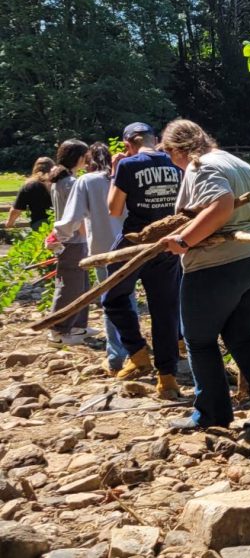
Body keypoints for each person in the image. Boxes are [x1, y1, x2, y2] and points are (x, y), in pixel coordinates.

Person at [159, 119, 250, 432]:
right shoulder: (237, 162)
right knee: (242, 337)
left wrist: (184, 241)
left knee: (199, 340)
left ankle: (212, 414)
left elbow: (221, 206)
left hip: (218, 265)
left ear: (178, 150)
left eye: (169, 154)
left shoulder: (200, 166)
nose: (172, 161)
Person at [103, 123, 184, 399]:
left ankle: (137, 353)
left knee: (113, 298)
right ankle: (168, 378)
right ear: (157, 140)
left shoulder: (128, 166)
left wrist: (116, 172)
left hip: (135, 242)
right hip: (167, 243)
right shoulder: (177, 164)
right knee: (165, 310)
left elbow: (114, 210)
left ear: (128, 144)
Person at [54, 143, 130, 373]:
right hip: (131, 244)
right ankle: (136, 347)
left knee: (111, 301)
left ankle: (117, 355)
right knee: (129, 298)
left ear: (88, 161)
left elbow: (71, 218)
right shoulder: (123, 176)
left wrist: (59, 234)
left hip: (102, 248)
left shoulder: (86, 181)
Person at [45, 140, 92, 344]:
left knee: (81, 284)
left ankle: (78, 327)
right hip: (74, 240)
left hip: (68, 240)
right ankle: (58, 330)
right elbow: (78, 217)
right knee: (70, 287)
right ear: (79, 158)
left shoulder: (60, 179)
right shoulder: (71, 182)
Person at [6, 157, 54, 229]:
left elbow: (16, 210)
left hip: (40, 225)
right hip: (60, 223)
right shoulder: (59, 183)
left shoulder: (30, 186)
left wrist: (9, 223)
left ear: (35, 168)